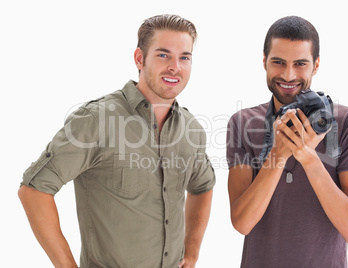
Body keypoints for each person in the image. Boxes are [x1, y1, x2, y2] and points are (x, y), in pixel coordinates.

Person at [18, 14, 215, 268]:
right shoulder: (97, 120)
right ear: (139, 59)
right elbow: (34, 190)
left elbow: (203, 186)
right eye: (163, 55)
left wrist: (192, 251)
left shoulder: (192, 129)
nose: (175, 66)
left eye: (184, 57)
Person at [226, 16, 348, 267]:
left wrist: (309, 158)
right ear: (264, 62)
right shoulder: (243, 123)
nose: (289, 74)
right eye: (278, 62)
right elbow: (242, 222)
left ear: (315, 65)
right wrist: (278, 155)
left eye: (300, 63)